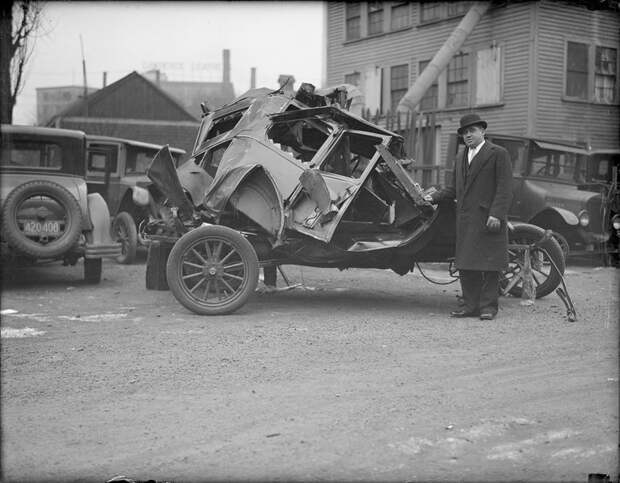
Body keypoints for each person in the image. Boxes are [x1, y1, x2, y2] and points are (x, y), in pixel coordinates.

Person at [425, 113, 513, 320]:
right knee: (466, 264)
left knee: (490, 265)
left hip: (488, 219)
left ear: (483, 131)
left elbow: (505, 188)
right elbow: (453, 190)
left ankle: (488, 308)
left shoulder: (498, 153)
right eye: (465, 132)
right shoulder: (461, 156)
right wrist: (432, 197)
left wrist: (497, 214)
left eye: (472, 131)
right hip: (465, 220)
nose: (468, 135)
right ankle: (470, 306)